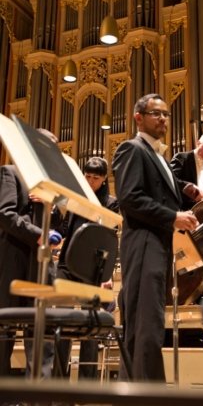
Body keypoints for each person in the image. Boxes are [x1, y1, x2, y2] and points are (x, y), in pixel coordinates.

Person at [112, 93, 199, 382]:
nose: (163, 118)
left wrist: (183, 187)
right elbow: (130, 198)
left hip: (157, 243)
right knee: (145, 323)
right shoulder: (132, 148)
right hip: (143, 242)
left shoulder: (156, 154)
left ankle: (135, 391)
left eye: (166, 114)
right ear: (138, 117)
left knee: (147, 324)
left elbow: (159, 187)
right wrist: (173, 216)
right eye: (155, 113)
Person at [0, 128, 62, 378]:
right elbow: (5, 214)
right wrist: (39, 233)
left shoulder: (51, 187)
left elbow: (57, 224)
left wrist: (51, 206)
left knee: (41, 335)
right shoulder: (10, 173)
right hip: (14, 262)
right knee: (4, 335)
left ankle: (38, 397)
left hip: (41, 267)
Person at [54, 156, 118, 380]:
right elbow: (64, 228)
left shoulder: (110, 203)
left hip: (94, 269)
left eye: (95, 178)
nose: (90, 181)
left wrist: (107, 274)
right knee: (62, 319)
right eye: (87, 176)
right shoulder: (75, 198)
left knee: (90, 324)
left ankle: (86, 380)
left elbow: (109, 241)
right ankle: (58, 379)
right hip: (66, 263)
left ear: (103, 179)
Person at [170, 132, 203, 211]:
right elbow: (170, 180)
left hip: (200, 213)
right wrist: (190, 188)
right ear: (198, 143)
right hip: (182, 210)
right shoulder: (181, 158)